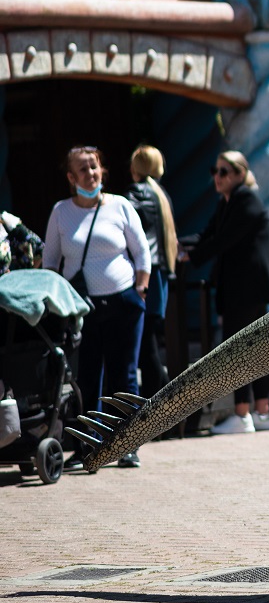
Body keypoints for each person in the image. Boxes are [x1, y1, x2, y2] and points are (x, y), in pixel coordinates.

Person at [43, 146, 150, 467]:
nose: (91, 173)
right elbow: (50, 262)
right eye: (83, 168)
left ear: (102, 171)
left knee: (125, 376)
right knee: (87, 378)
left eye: (95, 166)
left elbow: (142, 253)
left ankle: (127, 445)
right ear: (71, 177)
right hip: (83, 309)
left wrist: (141, 290)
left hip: (124, 302)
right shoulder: (61, 211)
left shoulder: (120, 206)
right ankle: (87, 447)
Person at [184, 151, 269, 435]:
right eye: (214, 171)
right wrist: (181, 245)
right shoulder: (227, 202)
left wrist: (192, 257)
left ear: (240, 174)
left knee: (239, 349)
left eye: (224, 172)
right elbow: (207, 234)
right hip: (242, 287)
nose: (217, 177)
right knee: (252, 348)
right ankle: (261, 412)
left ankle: (244, 415)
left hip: (248, 288)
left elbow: (223, 240)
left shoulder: (246, 199)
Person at [124, 145, 176, 398]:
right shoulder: (161, 194)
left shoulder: (138, 194)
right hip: (160, 275)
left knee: (147, 347)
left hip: (147, 276)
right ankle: (171, 404)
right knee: (151, 343)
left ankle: (166, 405)